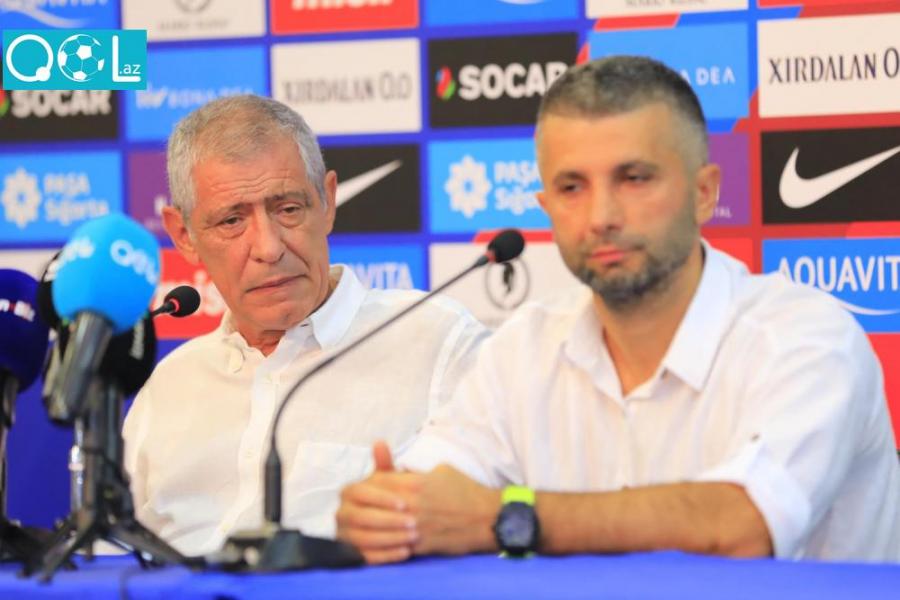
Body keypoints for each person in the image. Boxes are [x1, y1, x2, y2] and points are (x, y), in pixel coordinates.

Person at [335, 56, 900, 564]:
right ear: (545, 205)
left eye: (634, 178)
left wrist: (506, 517)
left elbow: (742, 527)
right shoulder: (522, 349)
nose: (601, 215)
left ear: (705, 192)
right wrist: (387, 512)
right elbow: (423, 500)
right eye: (572, 187)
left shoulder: (807, 337)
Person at [123, 95, 487, 556]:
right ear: (184, 235)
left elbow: (504, 531)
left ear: (328, 201)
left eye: (288, 209)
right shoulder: (169, 387)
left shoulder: (437, 342)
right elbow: (114, 560)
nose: (269, 247)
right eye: (232, 220)